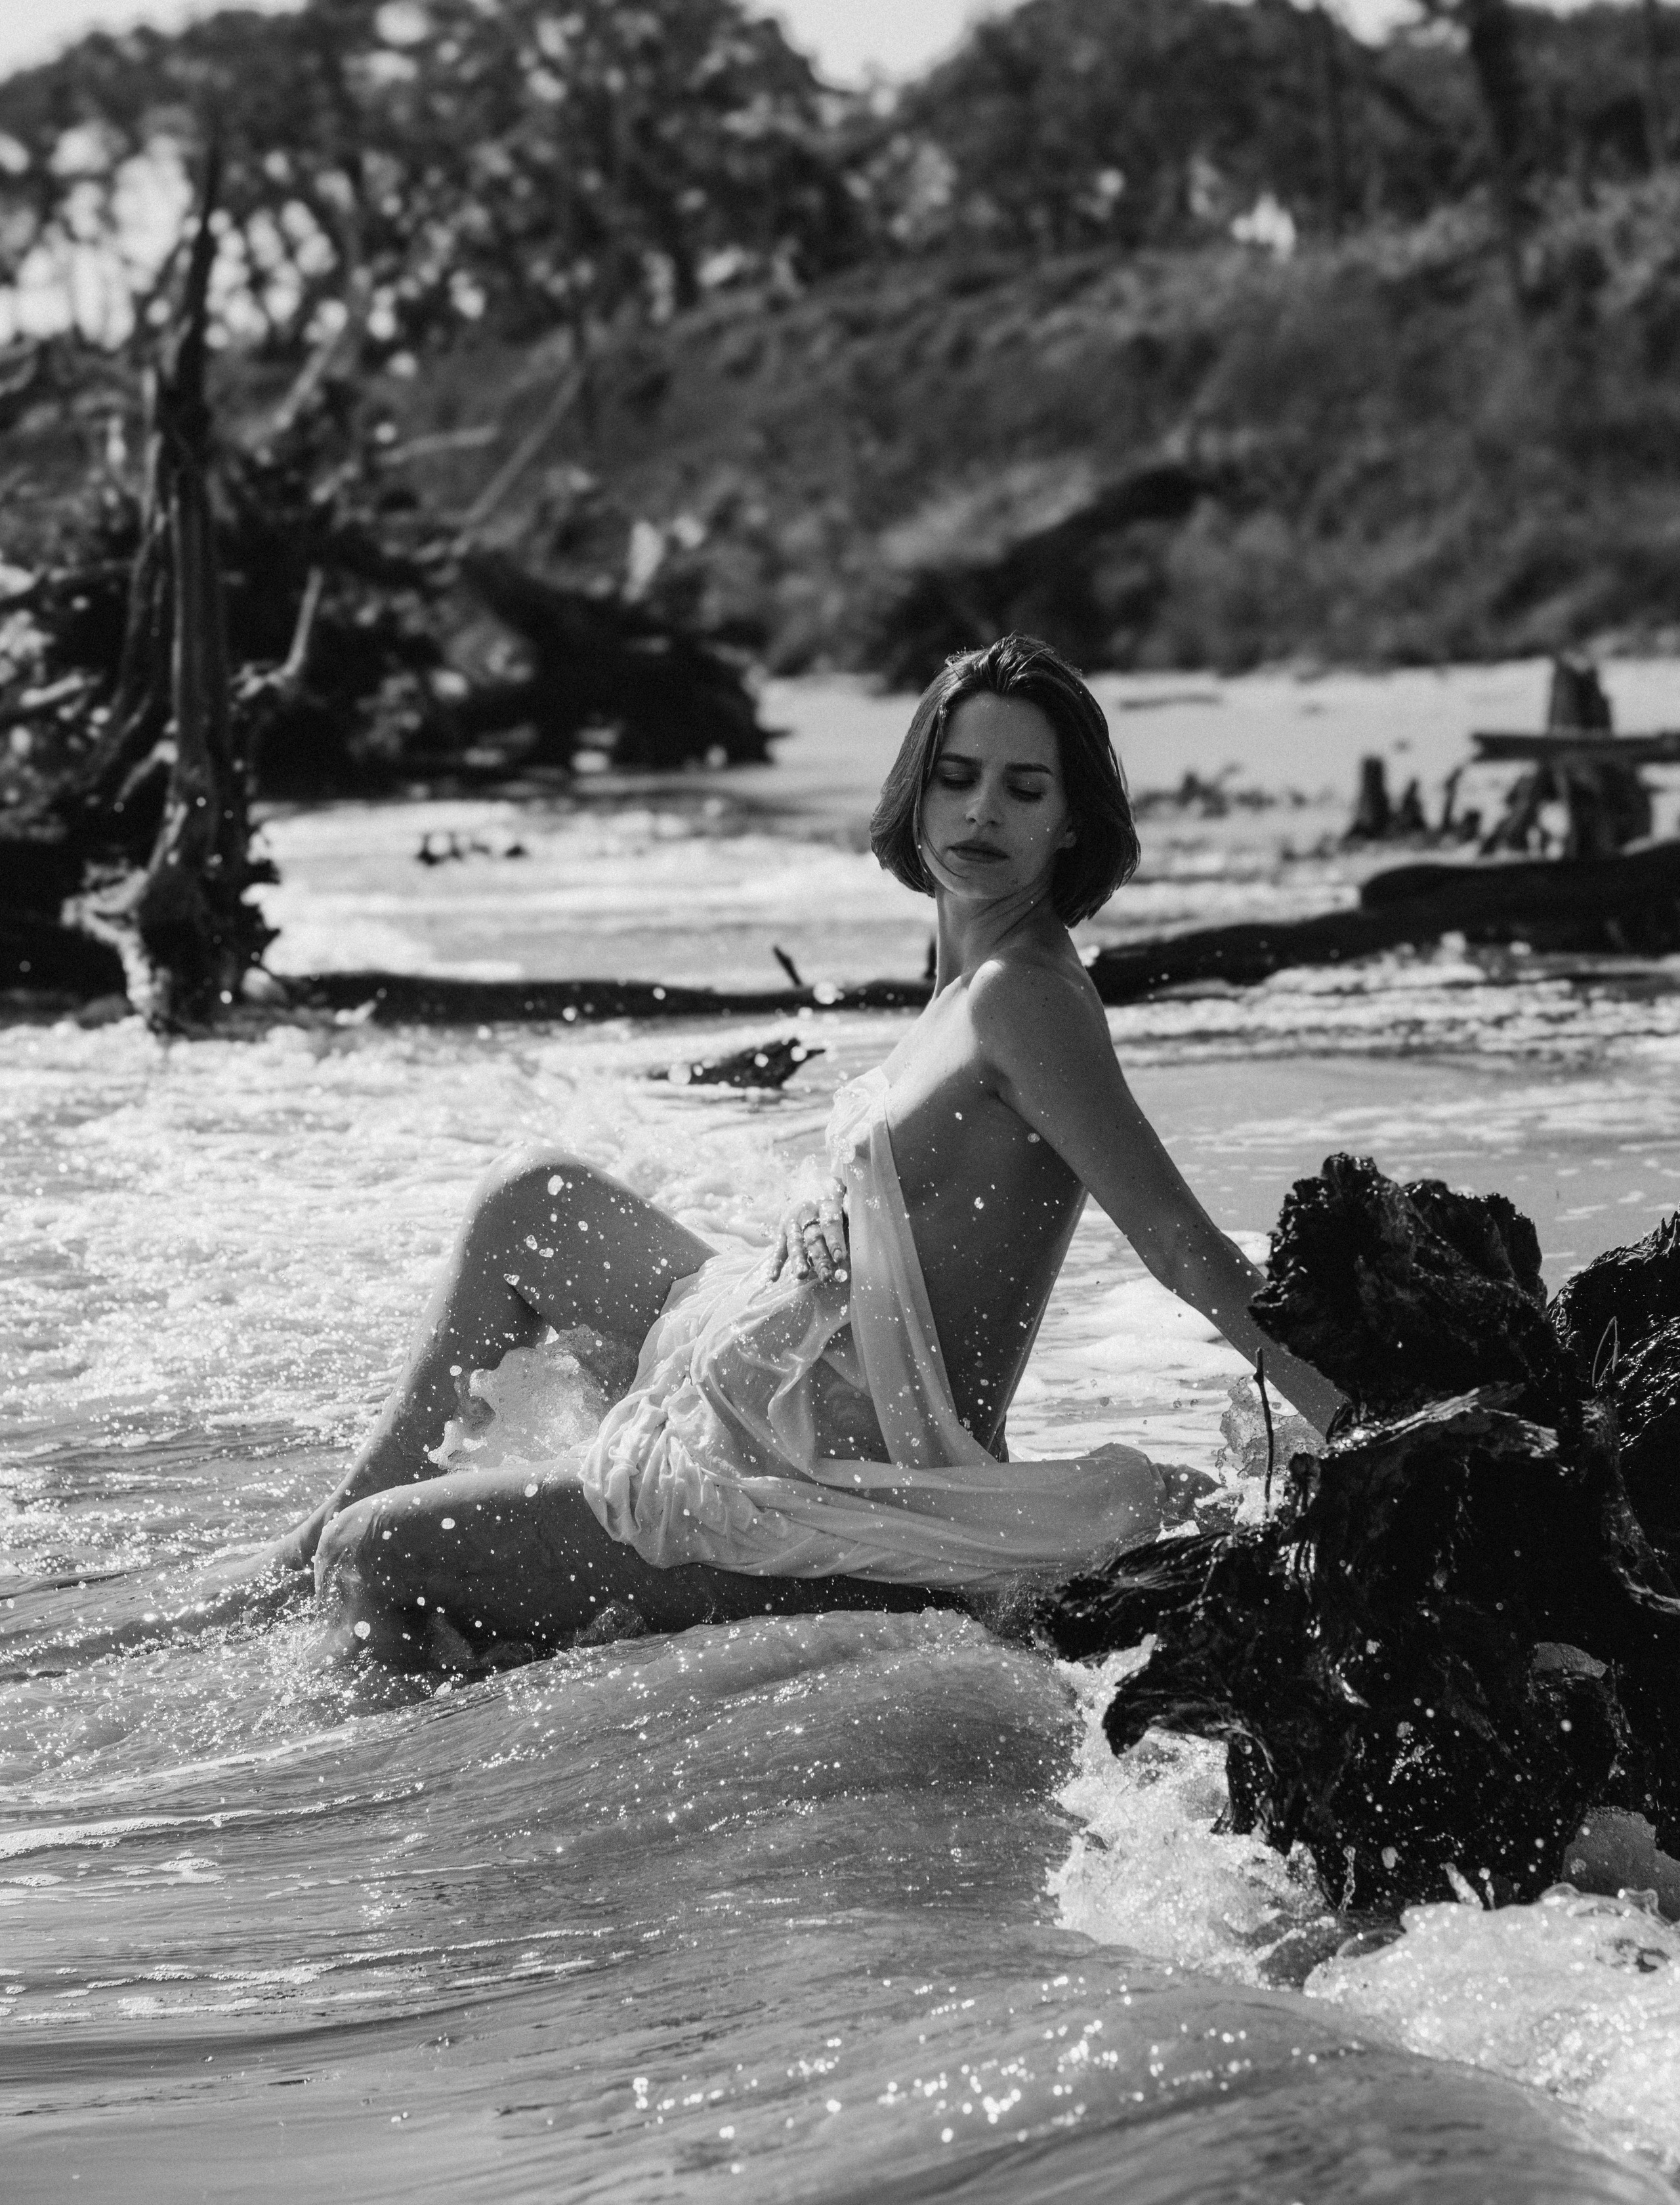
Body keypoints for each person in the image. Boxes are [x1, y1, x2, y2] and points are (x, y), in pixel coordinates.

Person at [282, 635, 1337, 1662]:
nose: (980, 811)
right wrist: (819, 1208)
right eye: (957, 776)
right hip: (771, 1370)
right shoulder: (965, 983)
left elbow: (1176, 1240)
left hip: (823, 1486)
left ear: (1070, 823)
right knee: (532, 1200)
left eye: (1024, 789)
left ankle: (432, 1757)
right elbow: (927, 1197)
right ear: (916, 791)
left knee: (372, 1559)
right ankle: (330, 1542)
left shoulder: (1027, 996)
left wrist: (1359, 1420)